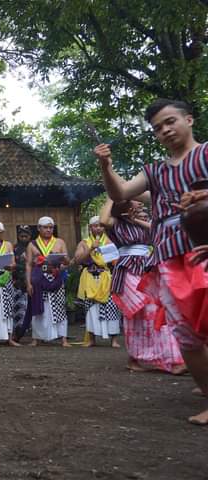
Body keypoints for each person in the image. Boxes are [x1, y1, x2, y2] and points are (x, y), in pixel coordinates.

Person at [96, 98, 208, 423]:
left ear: (189, 119)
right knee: (185, 332)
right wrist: (106, 166)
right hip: (169, 256)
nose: (165, 130)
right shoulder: (155, 171)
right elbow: (120, 193)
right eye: (158, 128)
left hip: (204, 247)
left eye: (170, 121)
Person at [99, 198, 185, 373]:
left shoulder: (143, 221)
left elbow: (158, 231)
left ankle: (145, 358)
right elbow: (103, 220)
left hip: (146, 267)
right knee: (147, 308)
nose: (139, 203)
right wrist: (112, 197)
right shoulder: (117, 222)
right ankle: (166, 359)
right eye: (134, 200)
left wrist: (137, 220)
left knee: (151, 312)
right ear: (123, 204)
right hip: (127, 269)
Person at [73, 216, 122, 348]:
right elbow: (77, 260)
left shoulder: (109, 241)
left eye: (101, 226)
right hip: (89, 278)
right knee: (91, 308)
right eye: (95, 226)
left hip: (105, 277)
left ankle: (114, 340)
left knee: (111, 307)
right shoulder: (84, 243)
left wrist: (107, 255)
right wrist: (90, 249)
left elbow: (115, 261)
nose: (98, 228)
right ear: (90, 228)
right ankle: (92, 339)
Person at [26, 216, 71, 347]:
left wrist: (64, 261)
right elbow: (28, 265)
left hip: (56, 278)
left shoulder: (60, 242)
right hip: (38, 279)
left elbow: (67, 262)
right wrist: (28, 283)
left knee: (60, 307)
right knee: (39, 307)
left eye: (51, 227)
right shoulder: (32, 244)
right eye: (45, 227)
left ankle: (63, 339)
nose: (48, 230)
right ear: (39, 228)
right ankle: (36, 338)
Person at [12, 225, 33, 341]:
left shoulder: (34, 247)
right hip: (18, 283)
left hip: (32, 282)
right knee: (18, 310)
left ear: (30, 236)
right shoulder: (14, 248)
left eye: (26, 236)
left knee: (33, 309)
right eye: (22, 236)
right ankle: (18, 333)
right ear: (18, 236)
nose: (24, 238)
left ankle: (36, 335)